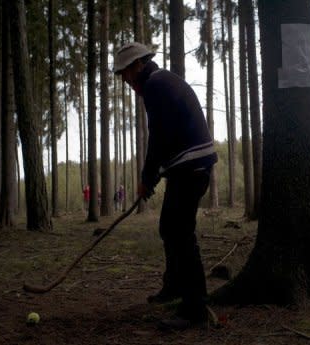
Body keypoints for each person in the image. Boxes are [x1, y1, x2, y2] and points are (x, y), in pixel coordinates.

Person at [113, 42, 218, 330]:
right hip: (190, 165)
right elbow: (168, 135)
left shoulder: (155, 86)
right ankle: (173, 287)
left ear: (137, 66)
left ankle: (195, 309)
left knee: (179, 232)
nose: (126, 81)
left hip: (191, 166)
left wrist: (148, 177)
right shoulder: (162, 81)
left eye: (125, 74)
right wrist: (156, 174)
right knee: (169, 227)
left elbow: (159, 137)